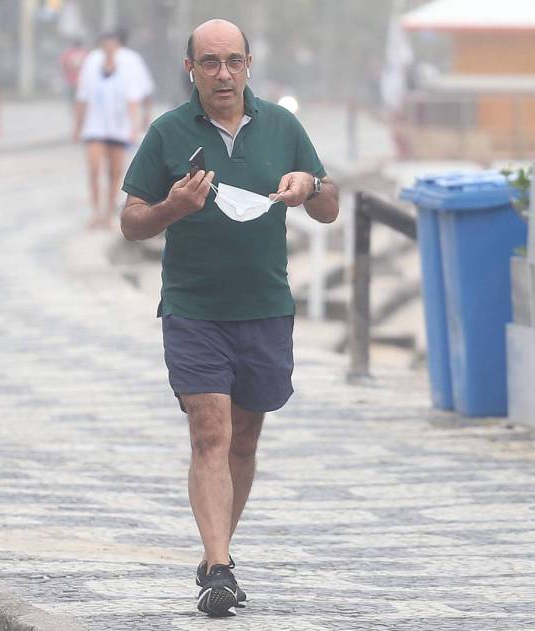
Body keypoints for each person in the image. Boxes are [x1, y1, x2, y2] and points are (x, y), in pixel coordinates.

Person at [119, 18, 339, 617]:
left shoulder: (282, 126)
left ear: (249, 64)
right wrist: (172, 206)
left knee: (244, 438)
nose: (223, 73)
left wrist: (308, 183)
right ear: (190, 68)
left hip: (265, 306)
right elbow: (132, 222)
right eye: (209, 62)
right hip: (194, 308)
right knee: (209, 432)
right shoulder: (168, 133)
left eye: (233, 61)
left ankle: (221, 551)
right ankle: (217, 567)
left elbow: (330, 207)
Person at [74, 32, 142, 229]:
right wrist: (77, 126)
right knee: (94, 168)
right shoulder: (91, 65)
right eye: (106, 45)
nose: (110, 49)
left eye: (113, 45)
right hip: (94, 126)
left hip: (119, 128)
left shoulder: (127, 67)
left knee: (115, 172)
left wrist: (134, 127)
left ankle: (108, 212)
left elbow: (133, 100)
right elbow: (82, 97)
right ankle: (95, 210)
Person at [77, 28, 155, 131]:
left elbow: (82, 95)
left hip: (103, 125)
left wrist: (79, 125)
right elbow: (145, 92)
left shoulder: (93, 57)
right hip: (120, 126)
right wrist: (145, 117)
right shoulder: (133, 58)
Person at [59, 38, 88, 102]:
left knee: (72, 100)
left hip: (71, 81)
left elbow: (63, 65)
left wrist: (66, 73)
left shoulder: (68, 54)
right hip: (81, 82)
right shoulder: (85, 54)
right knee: (80, 99)